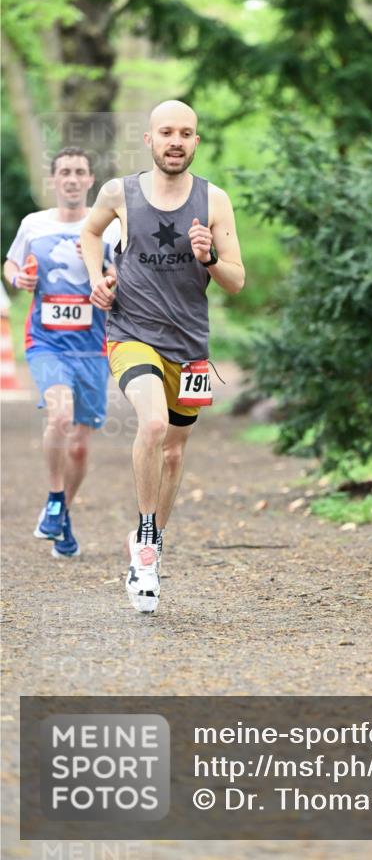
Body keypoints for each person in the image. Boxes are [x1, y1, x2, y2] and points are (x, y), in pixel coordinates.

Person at [81, 100, 245, 613]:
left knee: (174, 452)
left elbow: (236, 280)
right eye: (167, 132)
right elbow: (89, 233)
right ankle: (146, 549)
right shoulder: (119, 192)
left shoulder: (214, 201)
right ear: (149, 139)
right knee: (152, 426)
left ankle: (149, 541)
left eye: (187, 133)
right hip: (132, 332)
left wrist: (209, 257)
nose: (176, 140)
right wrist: (97, 280)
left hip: (191, 348)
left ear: (197, 142)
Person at [3, 147, 118, 557]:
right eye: (64, 172)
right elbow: (11, 266)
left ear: (90, 181)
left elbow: (121, 273)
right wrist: (20, 279)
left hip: (93, 348)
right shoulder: (34, 224)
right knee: (60, 414)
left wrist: (111, 277)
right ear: (53, 180)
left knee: (80, 446)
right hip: (46, 342)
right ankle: (54, 499)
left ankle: (63, 515)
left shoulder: (109, 227)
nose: (71, 179)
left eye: (79, 172)